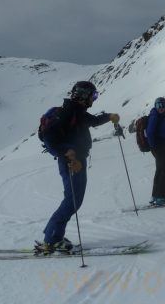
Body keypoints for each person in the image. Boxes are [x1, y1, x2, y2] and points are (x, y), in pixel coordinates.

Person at [40, 81, 120, 253]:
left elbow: (93, 120)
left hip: (79, 160)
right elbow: (48, 137)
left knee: (74, 201)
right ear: (83, 96)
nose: (94, 99)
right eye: (94, 95)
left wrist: (109, 117)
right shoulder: (68, 112)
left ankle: (54, 237)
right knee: (72, 201)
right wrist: (67, 153)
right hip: (71, 162)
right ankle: (51, 240)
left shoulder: (78, 112)